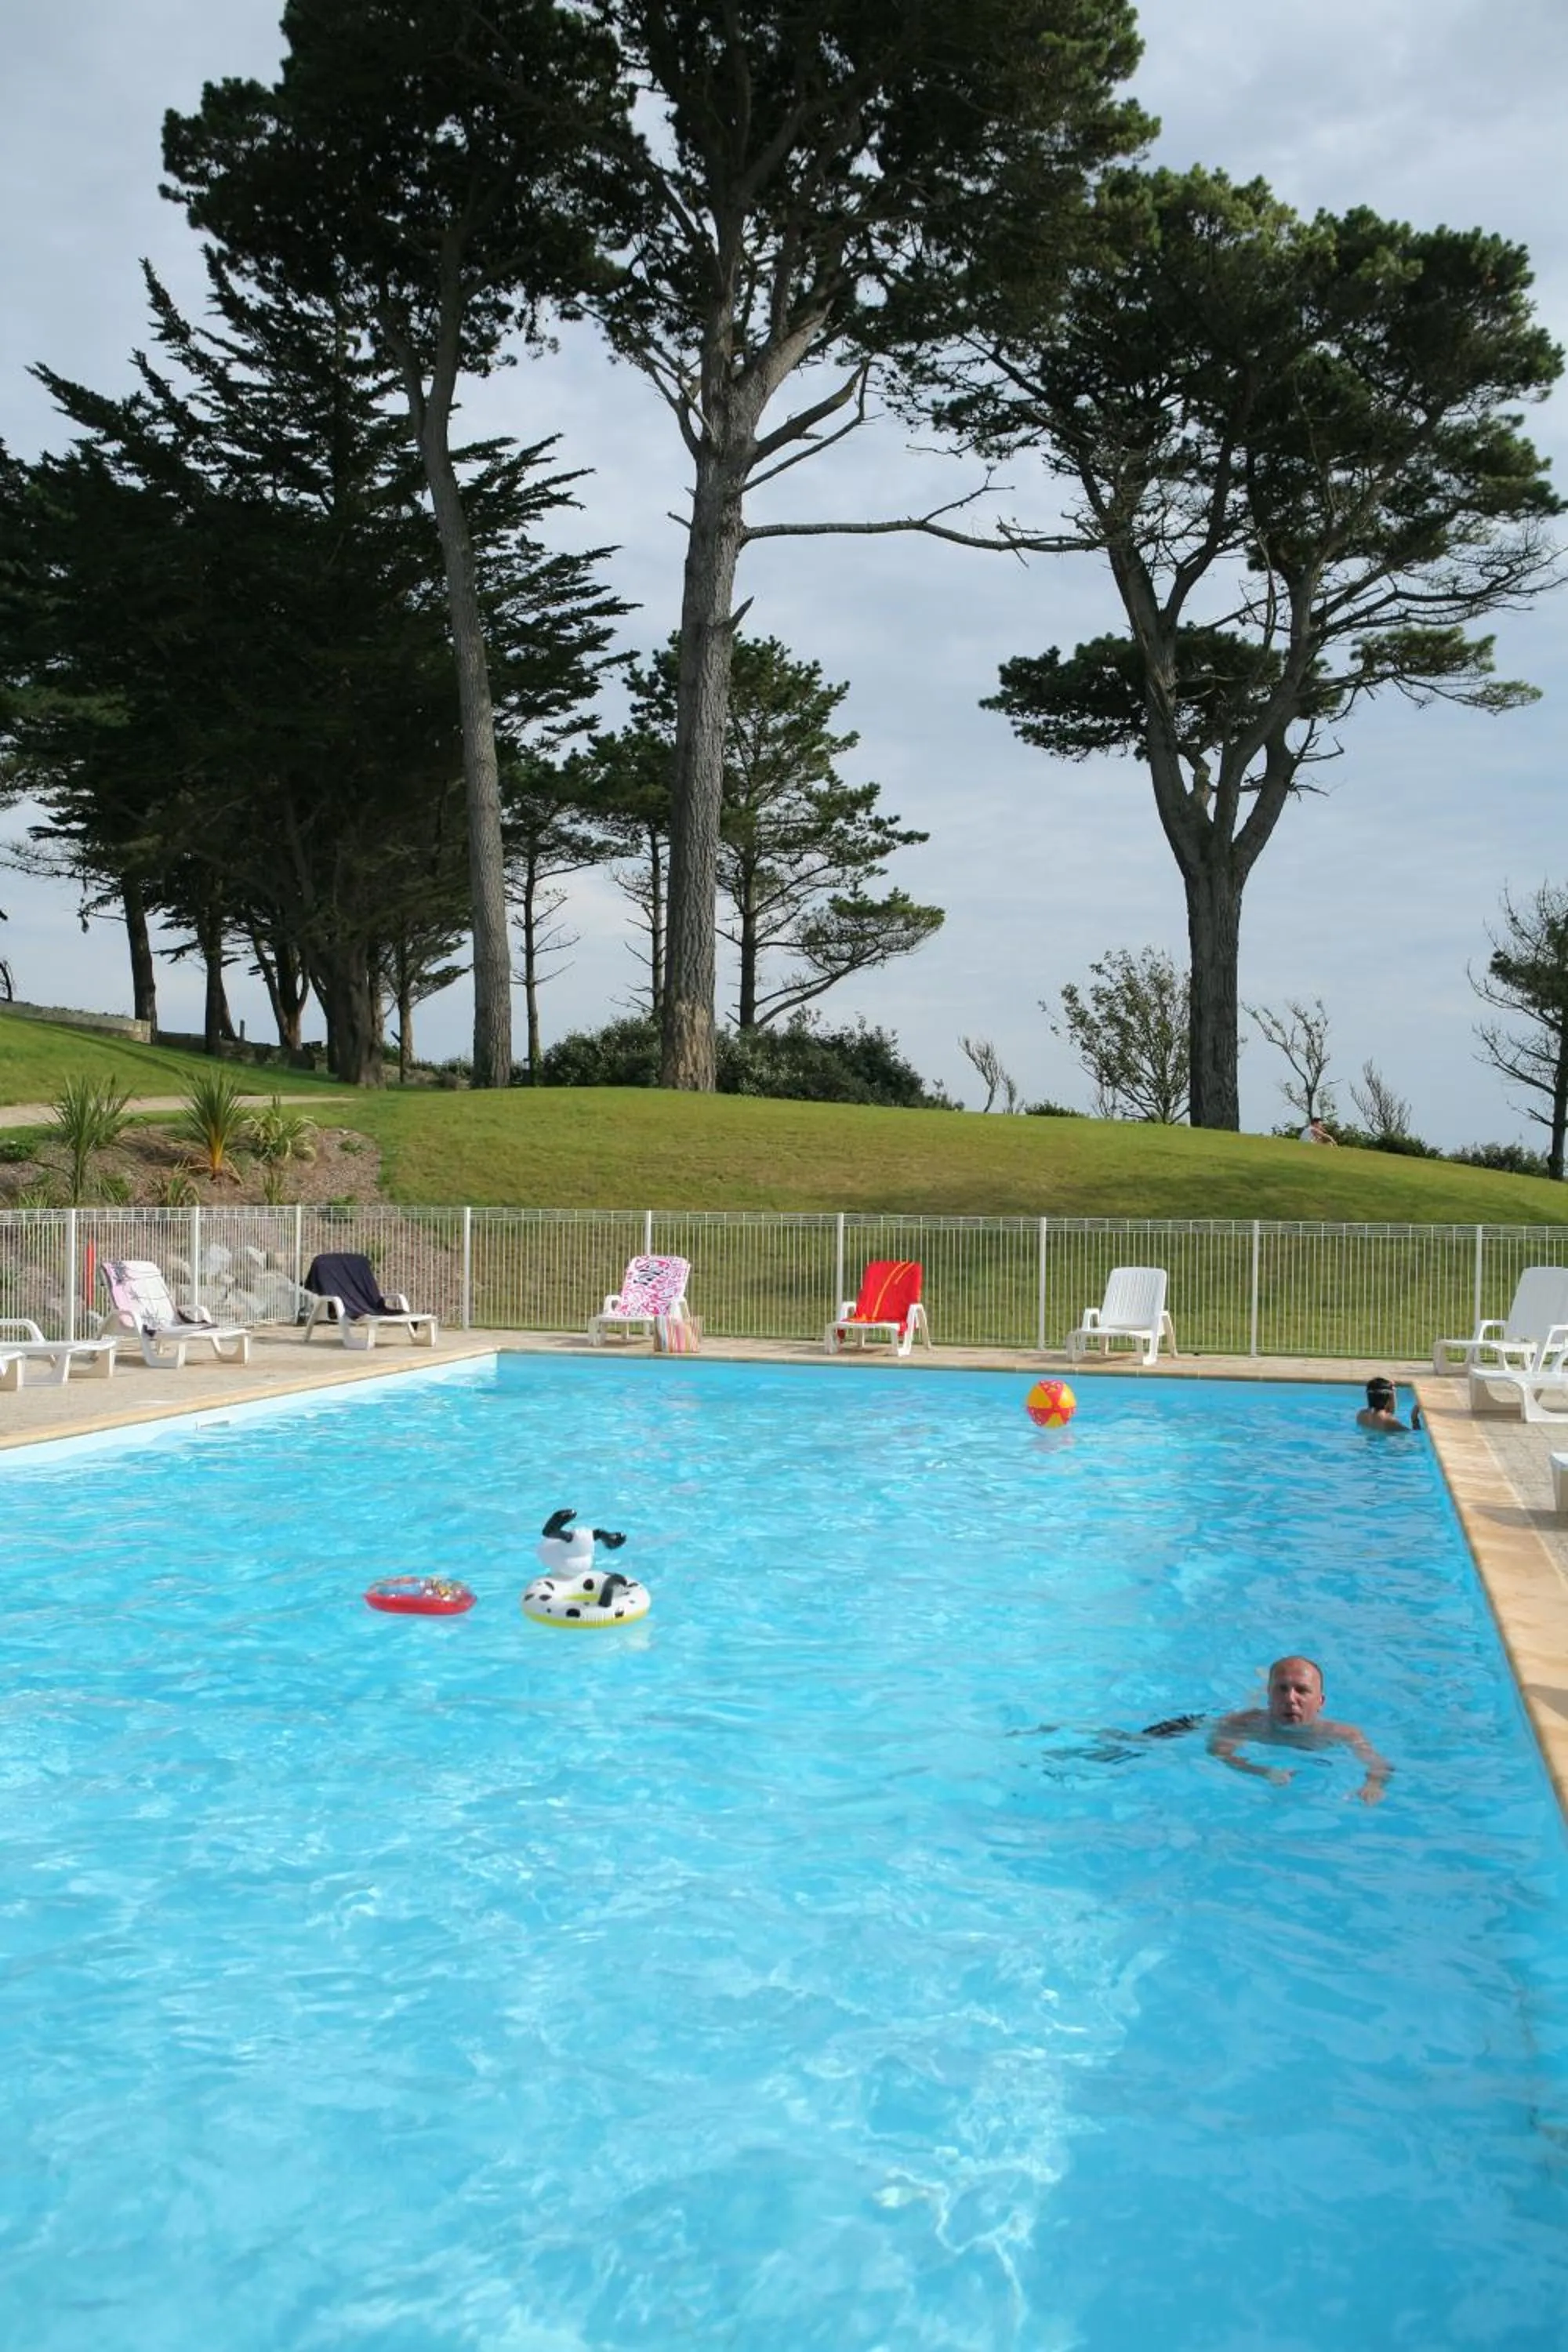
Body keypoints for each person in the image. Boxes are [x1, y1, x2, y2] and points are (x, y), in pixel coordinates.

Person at [1207, 1656, 1391, 1804]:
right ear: (1270, 1696)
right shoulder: (1244, 1723)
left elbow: (1379, 1765)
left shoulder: (1342, 1733)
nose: (1290, 1699)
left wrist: (1373, 1785)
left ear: (1321, 1702)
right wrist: (1262, 1771)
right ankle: (1263, 1683)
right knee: (1251, 1703)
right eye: (1282, 1689)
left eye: (1302, 1690)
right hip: (1261, 1718)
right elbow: (1219, 1753)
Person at [1356, 1375, 1421, 1433]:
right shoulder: (1390, 1422)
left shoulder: (1360, 1415)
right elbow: (1414, 1434)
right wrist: (1414, 1417)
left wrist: (1392, 1392)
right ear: (1388, 1398)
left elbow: (1389, 1413)